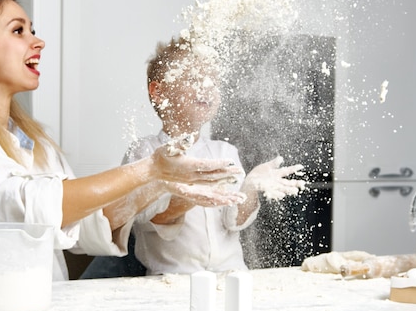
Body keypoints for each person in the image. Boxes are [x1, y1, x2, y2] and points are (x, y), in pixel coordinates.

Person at [0, 0, 245, 290]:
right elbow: (16, 211)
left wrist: (162, 185)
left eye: (33, 30)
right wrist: (149, 170)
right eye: (18, 31)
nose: (38, 41)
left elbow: (84, 225)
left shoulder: (35, 142)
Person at [99, 36, 307, 276]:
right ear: (158, 92)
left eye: (214, 81)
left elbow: (234, 220)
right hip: (171, 281)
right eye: (194, 79)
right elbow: (146, 218)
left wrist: (249, 188)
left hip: (232, 276)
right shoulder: (144, 153)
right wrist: (187, 197)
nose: (207, 87)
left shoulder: (224, 152)